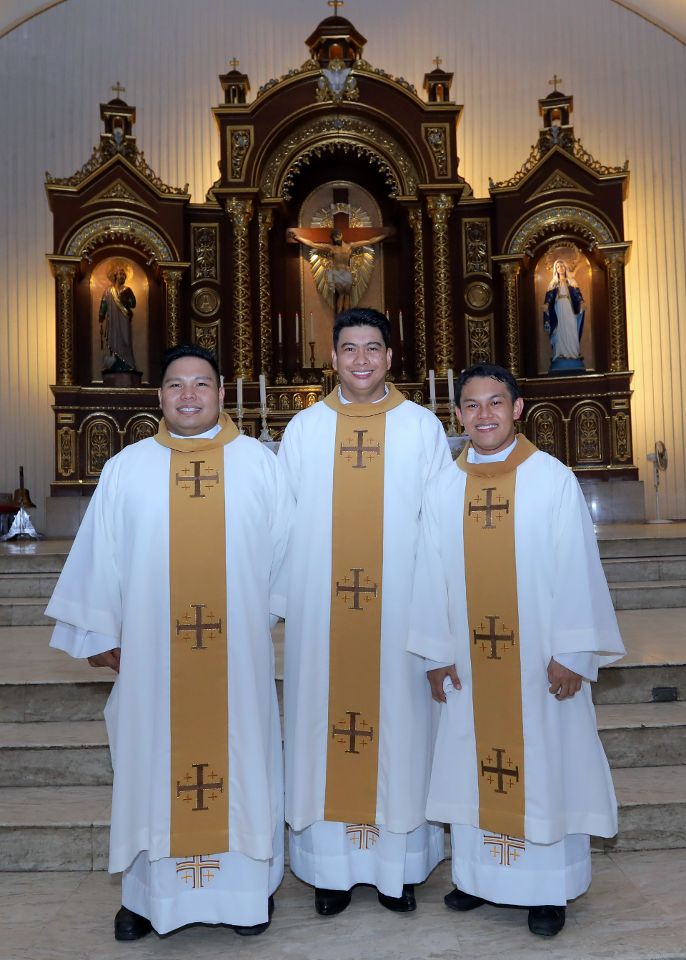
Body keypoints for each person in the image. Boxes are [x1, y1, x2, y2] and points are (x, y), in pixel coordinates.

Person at [46, 344, 292, 941]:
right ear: (159, 396)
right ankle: (146, 896)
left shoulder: (261, 465)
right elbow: (101, 554)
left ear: (221, 392)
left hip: (235, 658)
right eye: (177, 385)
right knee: (147, 763)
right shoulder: (127, 467)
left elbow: (290, 557)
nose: (189, 395)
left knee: (241, 760)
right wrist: (98, 632)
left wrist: (270, 616)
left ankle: (243, 895)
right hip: (154, 656)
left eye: (201, 384)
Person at [408, 363, 624, 938]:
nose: (484, 415)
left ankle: (546, 888)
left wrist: (573, 652)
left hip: (538, 665)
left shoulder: (551, 479)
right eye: (472, 405)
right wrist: (435, 654)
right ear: (456, 415)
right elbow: (428, 577)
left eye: (495, 403)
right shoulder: (444, 486)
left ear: (518, 408)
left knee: (545, 762)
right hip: (470, 665)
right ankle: (478, 879)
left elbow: (577, 567)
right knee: (469, 759)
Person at [279, 307, 451, 917]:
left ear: (389, 356)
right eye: (349, 349)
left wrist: (439, 615)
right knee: (322, 732)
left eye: (372, 348)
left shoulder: (422, 428)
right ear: (332, 357)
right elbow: (281, 526)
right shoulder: (303, 429)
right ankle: (331, 871)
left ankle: (396, 871)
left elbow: (439, 527)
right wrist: (282, 603)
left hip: (399, 617)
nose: (360, 360)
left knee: (401, 736)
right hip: (323, 620)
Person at [289, 227, 390, 313]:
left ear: (341, 235)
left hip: (347, 272)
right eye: (334, 237)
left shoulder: (350, 246)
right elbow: (311, 244)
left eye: (337, 236)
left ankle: (346, 316)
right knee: (341, 294)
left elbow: (370, 241)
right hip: (337, 273)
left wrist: (384, 236)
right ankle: (340, 317)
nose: (336, 239)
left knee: (347, 295)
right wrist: (296, 237)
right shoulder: (331, 248)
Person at [543, 259, 585, 369]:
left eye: (562, 266)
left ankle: (573, 354)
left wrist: (581, 302)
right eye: (558, 267)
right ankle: (560, 353)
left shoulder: (572, 282)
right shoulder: (553, 284)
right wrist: (546, 305)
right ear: (555, 269)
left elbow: (578, 295)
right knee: (560, 329)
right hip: (558, 309)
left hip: (569, 308)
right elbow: (548, 298)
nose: (560, 268)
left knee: (571, 329)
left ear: (565, 268)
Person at [99, 262, 138, 372]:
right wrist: (101, 315)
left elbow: (133, 303)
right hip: (112, 321)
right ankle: (115, 363)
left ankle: (127, 364)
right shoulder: (108, 291)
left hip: (124, 318)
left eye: (124, 275)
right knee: (113, 339)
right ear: (115, 275)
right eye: (121, 274)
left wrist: (125, 299)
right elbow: (104, 304)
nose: (122, 277)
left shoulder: (127, 290)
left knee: (125, 340)